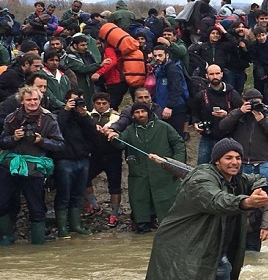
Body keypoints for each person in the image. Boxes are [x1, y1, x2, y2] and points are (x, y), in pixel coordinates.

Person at [135, 138, 268, 280]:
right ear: (217, 161)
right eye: (228, 158)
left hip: (218, 254)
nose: (234, 162)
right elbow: (216, 200)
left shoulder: (237, 179)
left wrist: (260, 189)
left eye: (238, 158)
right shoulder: (202, 179)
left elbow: (254, 179)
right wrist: (246, 203)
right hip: (189, 251)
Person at [217, 88, 268, 251]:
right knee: (239, 195)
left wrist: (261, 119)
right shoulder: (239, 115)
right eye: (250, 102)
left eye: (257, 103)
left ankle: (261, 229)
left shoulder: (267, 115)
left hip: (262, 162)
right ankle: (238, 230)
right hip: (241, 163)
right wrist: (239, 112)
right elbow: (223, 127)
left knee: (264, 197)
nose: (254, 106)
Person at [107, 102, 186, 233]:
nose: (140, 115)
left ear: (148, 113)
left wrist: (175, 164)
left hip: (163, 172)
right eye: (137, 112)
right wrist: (114, 137)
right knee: (140, 202)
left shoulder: (164, 127)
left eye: (143, 112)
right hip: (139, 174)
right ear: (133, 115)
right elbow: (120, 143)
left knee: (167, 203)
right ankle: (142, 226)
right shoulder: (131, 130)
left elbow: (178, 144)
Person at [0, 86, 64, 245]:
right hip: (11, 166)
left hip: (35, 169)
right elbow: (2, 142)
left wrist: (41, 141)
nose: (32, 102)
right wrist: (13, 138)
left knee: (36, 209)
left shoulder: (49, 119)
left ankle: (38, 245)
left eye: (35, 99)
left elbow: (60, 144)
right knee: (2, 203)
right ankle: (6, 238)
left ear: (40, 100)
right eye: (28, 100)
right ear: (22, 101)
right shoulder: (11, 118)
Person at [52, 89, 97, 238]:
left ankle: (75, 225)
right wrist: (66, 110)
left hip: (83, 159)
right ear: (66, 101)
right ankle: (62, 228)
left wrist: (83, 114)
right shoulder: (59, 114)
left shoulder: (83, 116)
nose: (77, 103)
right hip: (65, 160)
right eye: (74, 100)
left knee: (77, 195)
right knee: (64, 194)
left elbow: (93, 133)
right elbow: (57, 129)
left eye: (80, 100)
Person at [190, 64, 242, 164]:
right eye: (211, 74)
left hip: (228, 138)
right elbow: (195, 113)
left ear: (222, 74)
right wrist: (196, 123)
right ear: (206, 76)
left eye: (217, 73)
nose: (215, 77)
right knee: (202, 167)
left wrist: (228, 114)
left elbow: (241, 113)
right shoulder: (201, 95)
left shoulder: (232, 94)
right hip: (207, 137)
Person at [84, 92, 123, 227]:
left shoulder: (116, 117)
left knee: (115, 186)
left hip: (113, 156)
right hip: (94, 155)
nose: (101, 106)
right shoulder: (87, 116)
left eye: (104, 103)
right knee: (84, 178)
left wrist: (109, 129)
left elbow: (119, 126)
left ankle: (114, 214)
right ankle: (93, 205)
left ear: (109, 104)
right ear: (94, 104)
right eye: (98, 103)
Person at [152, 45, 189, 138]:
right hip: (162, 108)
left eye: (160, 55)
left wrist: (169, 106)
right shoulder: (159, 69)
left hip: (175, 109)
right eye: (155, 56)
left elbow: (176, 89)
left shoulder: (173, 70)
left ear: (167, 55)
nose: (157, 58)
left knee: (176, 138)